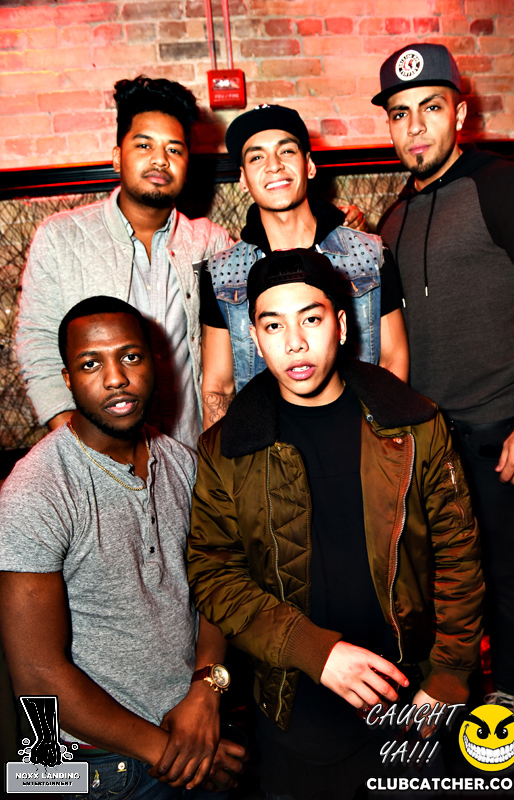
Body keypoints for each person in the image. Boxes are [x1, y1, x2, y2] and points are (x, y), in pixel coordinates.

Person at [187, 248, 484, 799]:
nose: (295, 343)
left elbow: (457, 553)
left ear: (342, 326)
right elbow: (214, 575)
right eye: (273, 326)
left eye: (311, 319)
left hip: (410, 702)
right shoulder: (225, 450)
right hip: (296, 710)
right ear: (254, 338)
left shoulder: (415, 425)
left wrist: (450, 671)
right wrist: (313, 650)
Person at [0, 297, 246, 798]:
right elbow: (37, 678)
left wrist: (206, 688)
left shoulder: (183, 463)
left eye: (130, 356)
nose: (116, 378)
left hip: (198, 725)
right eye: (91, 363)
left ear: (155, 363)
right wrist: (176, 753)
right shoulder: (36, 490)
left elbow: (216, 584)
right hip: (97, 765)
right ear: (68, 379)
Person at [374, 42, 514, 716]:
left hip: (502, 431)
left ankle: (512, 700)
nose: (415, 127)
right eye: (400, 113)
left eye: (431, 108)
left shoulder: (504, 185)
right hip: (429, 438)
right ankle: (457, 693)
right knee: (448, 582)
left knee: (513, 577)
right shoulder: (394, 213)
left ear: (459, 114)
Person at [16, 75, 233, 451]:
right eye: (144, 144)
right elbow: (38, 347)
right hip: (101, 455)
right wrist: (85, 451)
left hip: (195, 453)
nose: (160, 159)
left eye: (174, 149)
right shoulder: (60, 237)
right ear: (117, 156)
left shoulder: (210, 242)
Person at [200, 104, 409, 428]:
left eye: (286, 151)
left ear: (309, 165)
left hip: (361, 436)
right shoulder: (221, 272)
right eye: (257, 157)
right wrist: (229, 456)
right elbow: (218, 387)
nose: (274, 165)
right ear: (242, 178)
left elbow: (393, 357)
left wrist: (378, 437)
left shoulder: (370, 253)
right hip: (266, 448)